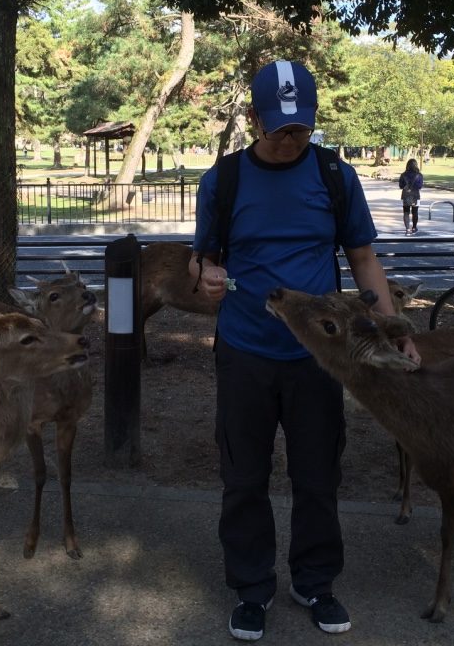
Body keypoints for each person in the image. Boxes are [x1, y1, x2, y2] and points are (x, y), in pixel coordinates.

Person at [188, 59, 420, 642]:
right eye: (279, 129)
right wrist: (207, 274)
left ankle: (314, 581)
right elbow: (203, 259)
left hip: (320, 357)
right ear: (253, 119)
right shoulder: (225, 180)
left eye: (301, 128)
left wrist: (394, 328)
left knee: (318, 474)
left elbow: (363, 257)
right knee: (245, 474)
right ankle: (251, 587)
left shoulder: (335, 176)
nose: (291, 140)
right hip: (245, 348)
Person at [398, 158, 424, 235]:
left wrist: (406, 186)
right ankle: (414, 227)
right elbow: (419, 186)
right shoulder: (419, 175)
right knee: (415, 212)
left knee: (406, 212)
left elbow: (400, 186)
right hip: (415, 195)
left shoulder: (403, 175)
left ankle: (407, 229)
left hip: (406, 195)